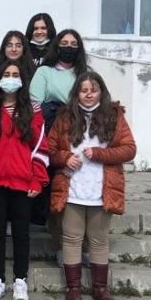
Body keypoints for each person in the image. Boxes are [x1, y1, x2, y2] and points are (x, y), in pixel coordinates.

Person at [48, 72, 136, 300]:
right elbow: (50, 149)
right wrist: (65, 158)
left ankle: (100, 289)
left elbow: (129, 149)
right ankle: (73, 289)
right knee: (71, 239)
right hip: (72, 188)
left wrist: (99, 153)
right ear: (76, 93)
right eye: (84, 90)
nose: (89, 94)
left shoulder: (114, 116)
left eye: (93, 90)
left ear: (101, 92)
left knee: (99, 240)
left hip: (102, 189)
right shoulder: (65, 116)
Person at [0, 60, 49, 300]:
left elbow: (40, 145)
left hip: (24, 183)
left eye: (15, 74)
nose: (10, 78)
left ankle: (21, 281)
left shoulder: (33, 109)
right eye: (7, 74)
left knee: (22, 234)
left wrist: (38, 179)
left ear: (22, 80)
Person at [29, 29, 90, 260]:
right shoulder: (44, 71)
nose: (69, 47)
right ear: (56, 46)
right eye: (64, 43)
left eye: (74, 44)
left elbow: (93, 99)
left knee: (82, 192)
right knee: (59, 188)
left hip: (82, 137)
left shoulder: (85, 73)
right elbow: (35, 104)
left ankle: (85, 247)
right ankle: (60, 247)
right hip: (53, 135)